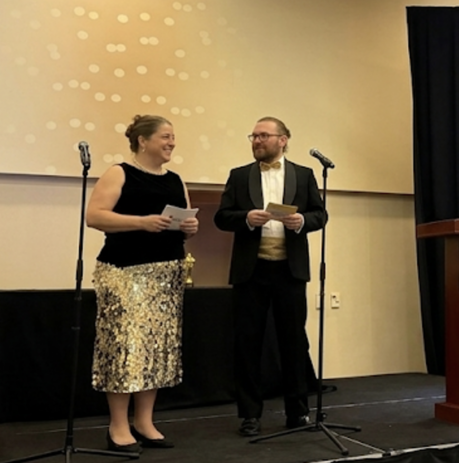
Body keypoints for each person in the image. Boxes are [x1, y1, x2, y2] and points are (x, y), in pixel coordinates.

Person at [85, 114, 199, 452]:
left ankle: (144, 422)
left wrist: (189, 228)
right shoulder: (120, 172)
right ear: (142, 140)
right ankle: (118, 426)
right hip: (124, 272)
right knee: (124, 348)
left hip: (166, 276)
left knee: (156, 350)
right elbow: (95, 216)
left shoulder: (175, 180)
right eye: (165, 136)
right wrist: (142, 222)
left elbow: (181, 220)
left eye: (173, 137)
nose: (171, 142)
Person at [214, 116, 327, 436]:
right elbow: (222, 217)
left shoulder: (304, 175)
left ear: (283, 140)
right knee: (248, 344)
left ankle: (298, 412)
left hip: (290, 271)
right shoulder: (239, 175)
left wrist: (302, 221)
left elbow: (320, 214)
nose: (257, 141)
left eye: (263, 135)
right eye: (253, 136)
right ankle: (250, 415)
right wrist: (246, 218)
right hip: (251, 272)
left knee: (294, 342)